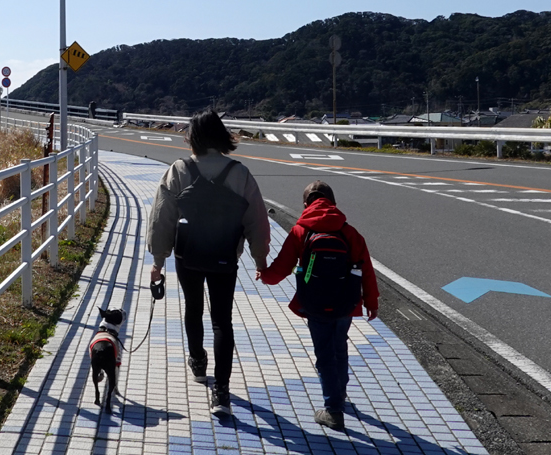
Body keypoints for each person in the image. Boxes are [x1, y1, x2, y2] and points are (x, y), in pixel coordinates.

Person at [149, 109, 270, 416]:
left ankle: (198, 362)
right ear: (221, 135)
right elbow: (256, 219)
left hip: (187, 255)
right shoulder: (239, 172)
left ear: (193, 138)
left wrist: (158, 260)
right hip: (224, 256)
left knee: (192, 308)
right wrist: (260, 258)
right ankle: (222, 393)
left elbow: (162, 218)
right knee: (222, 320)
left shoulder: (179, 169)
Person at [259, 180, 379, 430]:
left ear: (305, 205)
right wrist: (371, 301)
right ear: (334, 203)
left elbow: (281, 268)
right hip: (345, 302)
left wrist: (264, 275)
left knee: (324, 353)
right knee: (339, 347)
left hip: (314, 301)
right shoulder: (350, 232)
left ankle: (333, 410)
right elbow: (366, 270)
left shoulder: (300, 231)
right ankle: (339, 395)